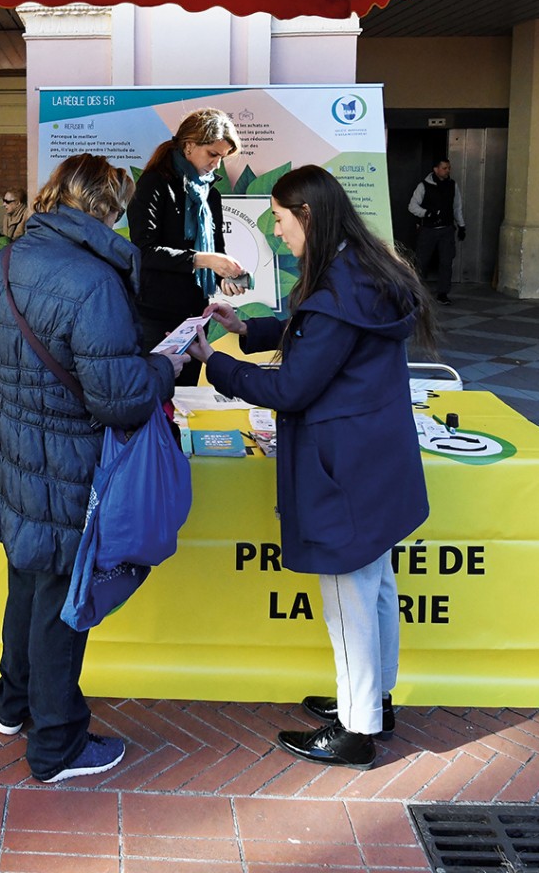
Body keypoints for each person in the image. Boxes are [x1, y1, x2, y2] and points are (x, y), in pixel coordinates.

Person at [189, 164, 436, 771]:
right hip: (375, 457)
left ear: (309, 216)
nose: (276, 231)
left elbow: (295, 385)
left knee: (347, 602)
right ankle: (373, 701)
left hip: (340, 466)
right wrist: (247, 327)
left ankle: (354, 733)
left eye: (279, 218)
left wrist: (212, 363)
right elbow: (318, 336)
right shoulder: (365, 270)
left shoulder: (334, 289)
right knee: (376, 588)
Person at [0, 153, 183, 784]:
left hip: (17, 453)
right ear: (104, 209)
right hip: (69, 465)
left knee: (26, 584)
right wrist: (165, 365)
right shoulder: (93, 281)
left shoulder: (9, 259)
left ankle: (13, 707)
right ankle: (57, 745)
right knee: (62, 606)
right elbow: (119, 399)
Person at [129, 108, 247, 385]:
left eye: (222, 157)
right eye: (213, 154)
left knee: (186, 403)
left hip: (194, 317)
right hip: (154, 316)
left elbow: (217, 249)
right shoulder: (153, 183)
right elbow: (145, 251)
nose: (217, 164)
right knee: (153, 398)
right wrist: (205, 260)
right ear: (189, 146)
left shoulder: (211, 194)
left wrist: (227, 278)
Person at [408, 158, 465, 305]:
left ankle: (442, 293)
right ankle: (416, 292)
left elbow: (457, 207)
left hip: (446, 229)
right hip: (428, 230)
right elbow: (412, 206)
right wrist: (427, 213)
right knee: (421, 262)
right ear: (436, 169)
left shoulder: (452, 185)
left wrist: (461, 225)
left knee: (446, 262)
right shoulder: (424, 186)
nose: (448, 171)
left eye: (449, 168)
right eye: (444, 168)